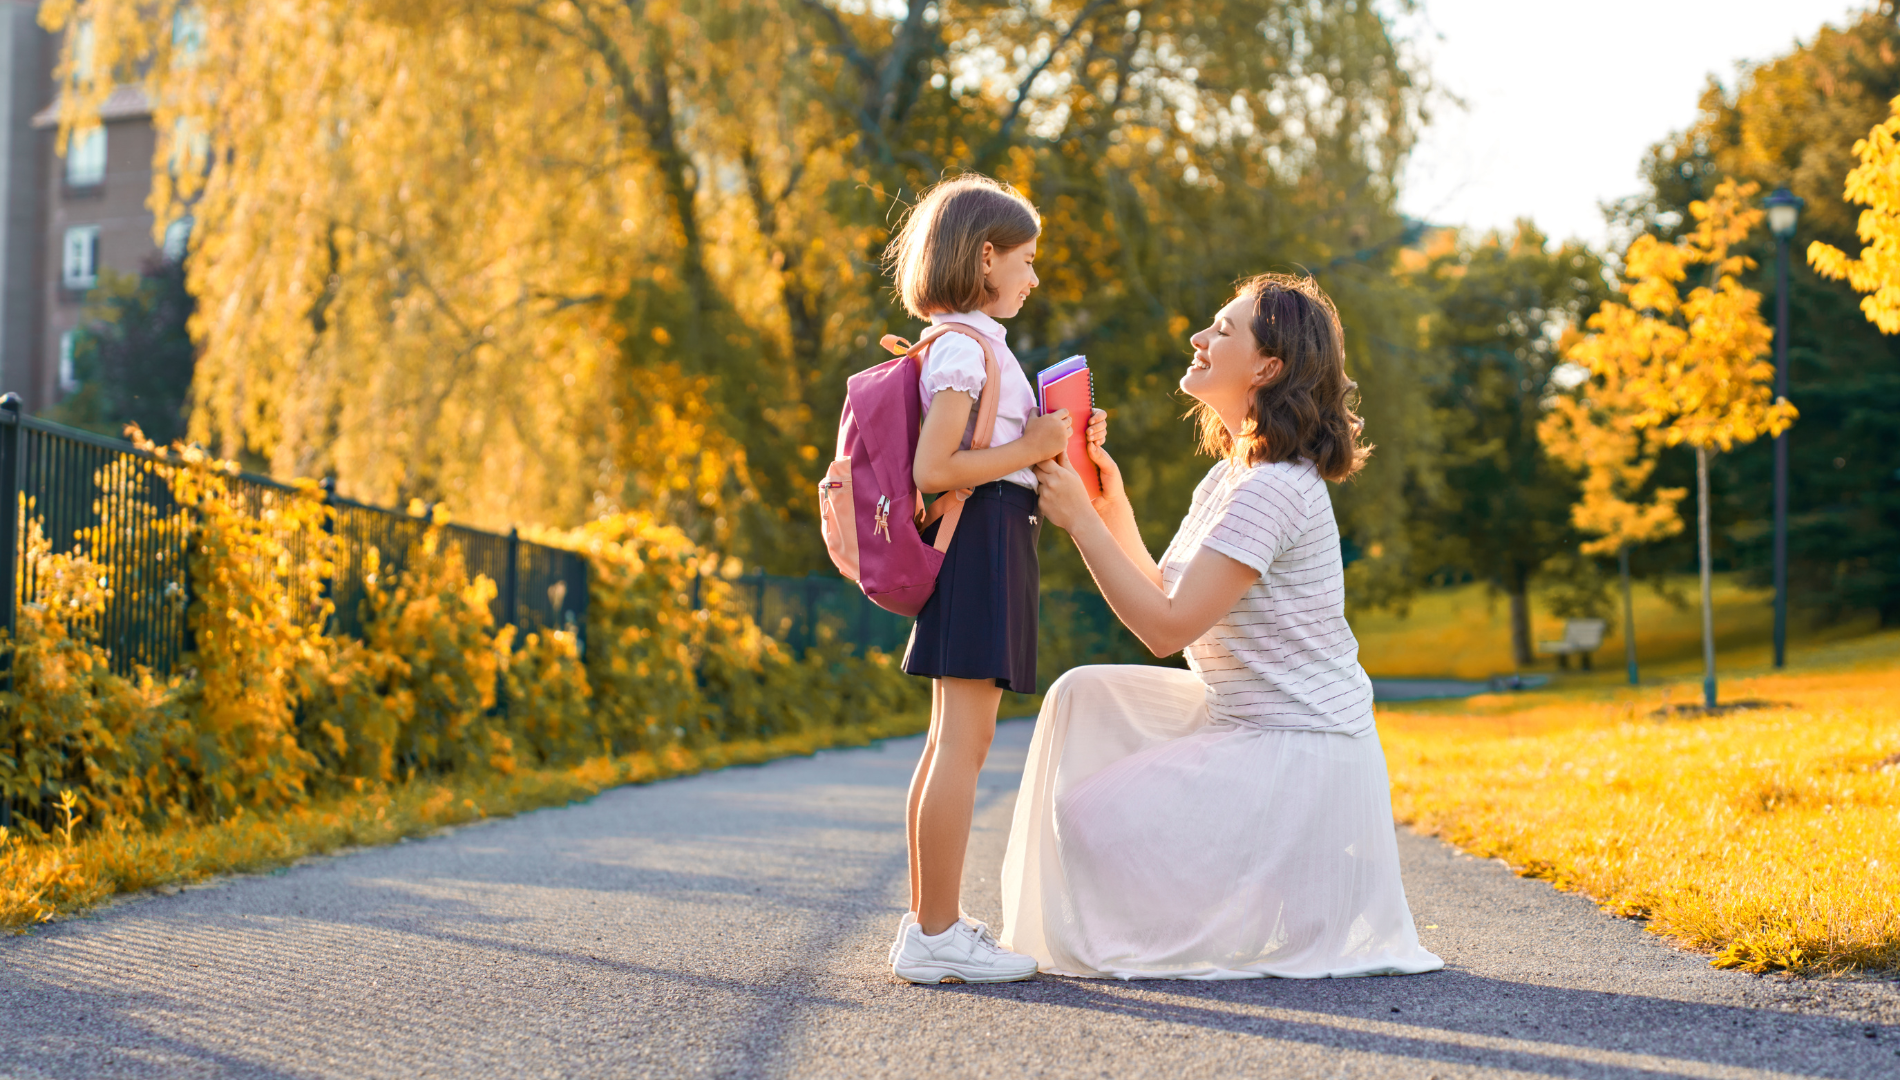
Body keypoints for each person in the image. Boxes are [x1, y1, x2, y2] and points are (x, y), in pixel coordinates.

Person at [1003, 273, 1444, 981]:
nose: (1198, 339)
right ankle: (1279, 874)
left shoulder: (1274, 487)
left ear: (1268, 366)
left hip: (1298, 746)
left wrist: (1079, 523)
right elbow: (1164, 589)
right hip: (1247, 722)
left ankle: (1277, 875)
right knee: (1083, 692)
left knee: (1091, 817)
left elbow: (1164, 631)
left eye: (1223, 329)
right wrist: (1108, 505)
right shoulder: (1233, 476)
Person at [881, 175, 1104, 984]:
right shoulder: (963, 348)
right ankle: (935, 934)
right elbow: (935, 466)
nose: (1034, 277)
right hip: (979, 544)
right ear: (985, 257)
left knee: (952, 741)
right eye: (1027, 259)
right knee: (963, 744)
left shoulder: (971, 343)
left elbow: (986, 452)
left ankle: (928, 925)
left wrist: (1054, 436)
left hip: (990, 541)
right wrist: (1033, 440)